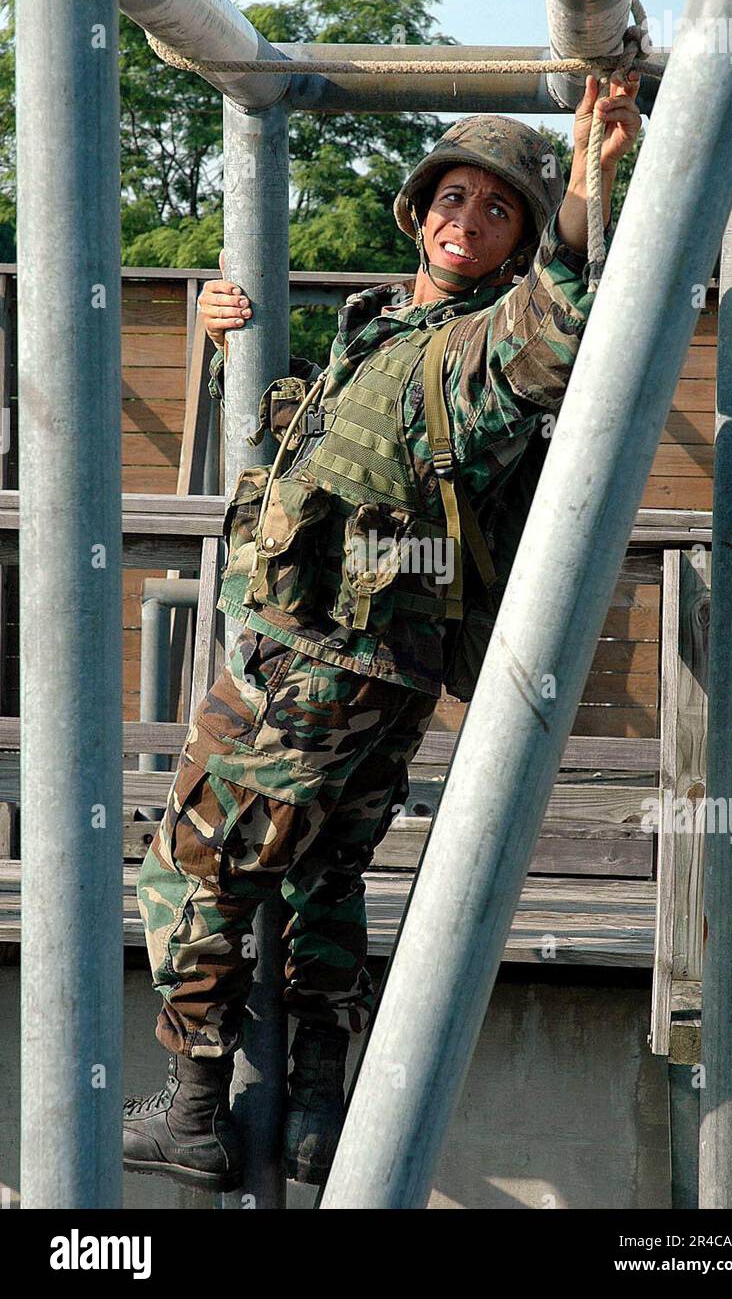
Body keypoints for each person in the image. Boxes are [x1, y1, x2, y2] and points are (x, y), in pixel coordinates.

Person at [123, 75, 642, 1193]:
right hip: (364, 670)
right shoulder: (384, 330)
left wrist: (587, 184)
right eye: (453, 195)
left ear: (516, 243)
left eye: (499, 209)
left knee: (189, 864)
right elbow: (300, 452)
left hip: (314, 662)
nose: (469, 217)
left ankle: (192, 1105)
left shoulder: (480, 348)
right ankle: (316, 1111)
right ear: (419, 210)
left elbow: (553, 324)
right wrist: (224, 341)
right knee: (318, 882)